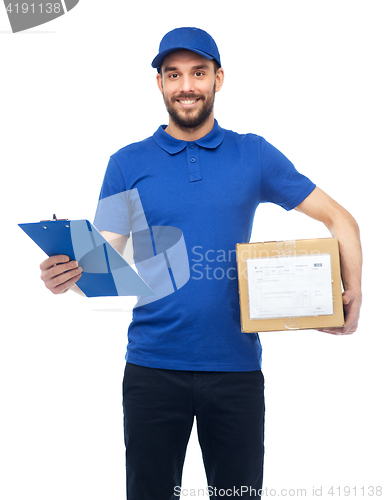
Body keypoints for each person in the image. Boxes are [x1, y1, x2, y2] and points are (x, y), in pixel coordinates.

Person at [39, 27, 362, 500]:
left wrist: (352, 294)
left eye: (198, 72)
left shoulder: (253, 154)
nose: (185, 85)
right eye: (173, 74)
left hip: (236, 371)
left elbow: (341, 219)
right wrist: (64, 276)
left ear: (218, 79)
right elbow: (101, 259)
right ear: (160, 84)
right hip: (152, 370)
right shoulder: (127, 163)